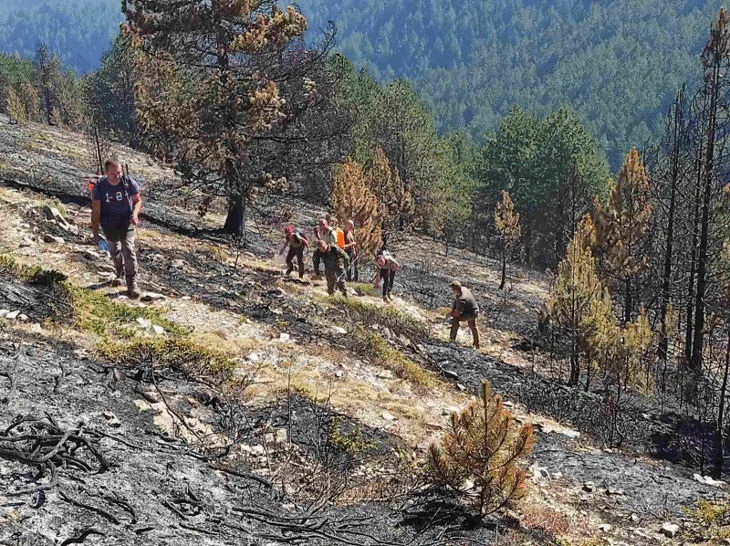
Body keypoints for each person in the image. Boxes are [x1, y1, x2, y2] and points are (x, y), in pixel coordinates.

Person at [91, 159, 143, 298]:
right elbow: (95, 211)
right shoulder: (100, 186)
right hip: (108, 222)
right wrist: (95, 234)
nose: (117, 176)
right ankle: (120, 271)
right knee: (114, 249)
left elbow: (137, 200)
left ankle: (132, 284)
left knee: (128, 248)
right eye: (114, 173)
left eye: (119, 172)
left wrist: (135, 214)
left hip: (126, 220)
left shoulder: (128, 182)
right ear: (106, 173)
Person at [446, 280, 480, 349]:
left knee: (455, 320)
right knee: (472, 326)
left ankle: (452, 339)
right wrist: (452, 310)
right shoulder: (464, 289)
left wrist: (449, 316)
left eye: (453, 290)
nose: (452, 291)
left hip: (472, 313)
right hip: (473, 309)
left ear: (456, 289)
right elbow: (456, 301)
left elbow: (457, 314)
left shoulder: (462, 299)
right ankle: (477, 343)